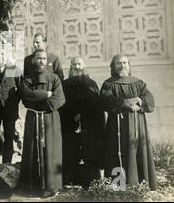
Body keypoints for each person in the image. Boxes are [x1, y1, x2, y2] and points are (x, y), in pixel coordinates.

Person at [100, 54, 157, 190]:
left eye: (125, 63)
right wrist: (125, 103)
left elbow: (150, 101)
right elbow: (105, 100)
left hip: (137, 125)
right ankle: (119, 186)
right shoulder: (109, 84)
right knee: (116, 153)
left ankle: (140, 185)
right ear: (113, 66)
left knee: (137, 152)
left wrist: (139, 101)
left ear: (129, 65)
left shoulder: (138, 83)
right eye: (119, 63)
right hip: (116, 127)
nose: (122, 66)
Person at [18, 49, 65, 197]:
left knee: (51, 151)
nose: (41, 61)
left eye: (44, 59)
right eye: (38, 59)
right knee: (32, 151)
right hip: (33, 119)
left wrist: (39, 103)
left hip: (50, 118)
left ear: (47, 61)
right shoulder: (27, 79)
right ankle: (32, 187)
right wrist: (45, 94)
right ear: (33, 61)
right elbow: (26, 96)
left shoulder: (54, 78)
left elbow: (59, 99)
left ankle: (51, 186)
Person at [59, 57, 104, 187]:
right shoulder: (65, 84)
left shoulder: (91, 83)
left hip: (89, 125)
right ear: (70, 67)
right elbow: (61, 104)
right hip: (69, 125)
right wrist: (72, 115)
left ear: (84, 66)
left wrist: (83, 114)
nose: (77, 67)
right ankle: (70, 179)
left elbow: (96, 105)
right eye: (74, 65)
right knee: (70, 152)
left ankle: (90, 180)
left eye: (79, 64)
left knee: (89, 152)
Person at [0, 42, 21, 164]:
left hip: (9, 109)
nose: (0, 56)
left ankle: (7, 163)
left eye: (2, 54)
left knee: (9, 136)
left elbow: (20, 88)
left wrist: (14, 103)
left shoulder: (13, 69)